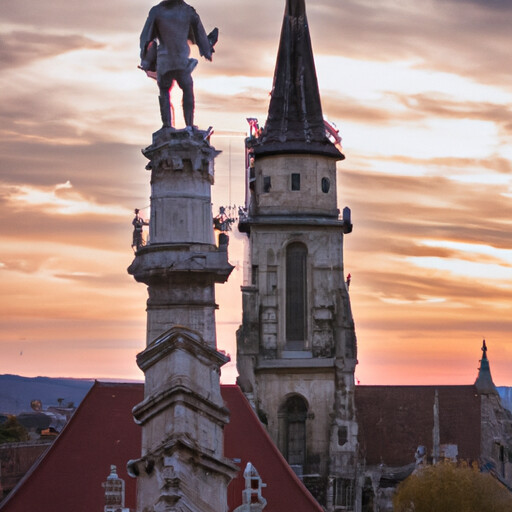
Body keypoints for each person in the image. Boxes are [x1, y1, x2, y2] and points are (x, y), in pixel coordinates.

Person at [139, 0, 218, 128]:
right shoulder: (188, 11)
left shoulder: (156, 11)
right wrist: (207, 50)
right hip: (181, 61)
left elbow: (146, 38)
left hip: (164, 62)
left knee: (164, 91)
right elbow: (200, 34)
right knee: (187, 88)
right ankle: (189, 125)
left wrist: (146, 60)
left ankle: (166, 126)